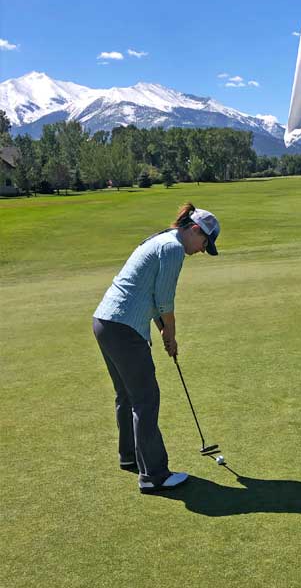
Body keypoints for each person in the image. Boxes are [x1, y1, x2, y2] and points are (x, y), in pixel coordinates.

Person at [92, 202, 220, 493]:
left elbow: (147, 295)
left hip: (105, 321)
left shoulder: (160, 240)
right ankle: (153, 475)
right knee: (145, 398)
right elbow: (164, 301)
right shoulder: (174, 249)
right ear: (195, 229)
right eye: (204, 243)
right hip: (123, 329)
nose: (202, 250)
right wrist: (171, 336)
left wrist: (162, 330)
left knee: (126, 394)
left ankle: (130, 458)